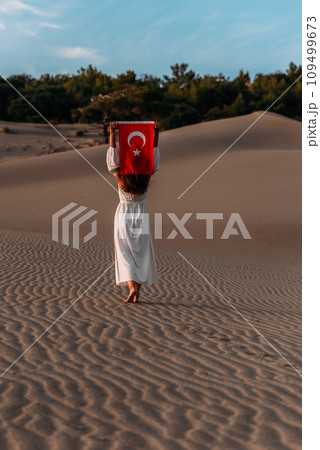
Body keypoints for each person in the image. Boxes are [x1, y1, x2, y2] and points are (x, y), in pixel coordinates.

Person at [106, 121, 160, 303]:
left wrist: (112, 133)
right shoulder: (145, 179)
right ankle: (137, 290)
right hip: (141, 215)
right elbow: (153, 158)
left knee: (125, 252)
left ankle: (131, 288)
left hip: (123, 215)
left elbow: (113, 159)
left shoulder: (121, 178)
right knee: (141, 252)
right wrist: (155, 134)